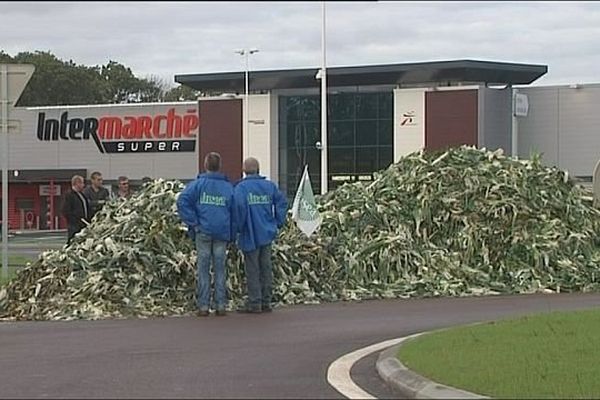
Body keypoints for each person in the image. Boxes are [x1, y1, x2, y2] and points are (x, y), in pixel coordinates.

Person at [176, 152, 235, 317]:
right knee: (220, 269)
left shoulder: (197, 185)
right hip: (222, 232)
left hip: (203, 231)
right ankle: (220, 305)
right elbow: (235, 209)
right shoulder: (228, 187)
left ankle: (203, 306)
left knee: (203, 268)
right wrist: (232, 231)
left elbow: (182, 201)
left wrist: (193, 222)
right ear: (219, 166)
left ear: (206, 165)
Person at [234, 157, 287, 313]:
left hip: (250, 233)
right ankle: (266, 301)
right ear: (258, 169)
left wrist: (237, 229)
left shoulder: (241, 188)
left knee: (252, 269)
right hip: (267, 232)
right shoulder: (269, 186)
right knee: (266, 268)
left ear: (244, 170)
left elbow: (239, 209)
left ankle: (255, 303)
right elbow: (282, 203)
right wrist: (278, 221)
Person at [62, 175, 90, 245]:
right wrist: (75, 221)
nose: (83, 185)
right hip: (74, 226)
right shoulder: (69, 195)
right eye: (82, 183)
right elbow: (65, 211)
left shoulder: (82, 195)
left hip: (83, 225)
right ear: (77, 183)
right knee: (73, 242)